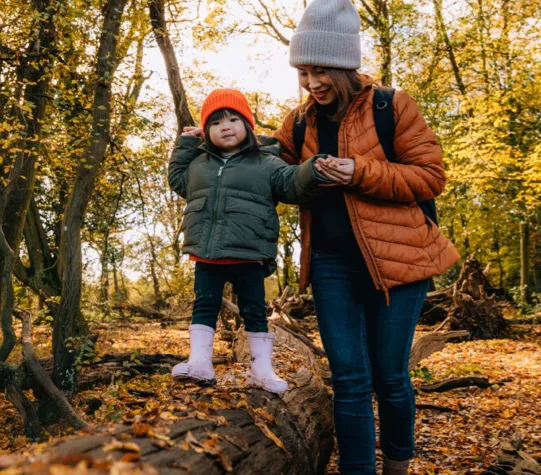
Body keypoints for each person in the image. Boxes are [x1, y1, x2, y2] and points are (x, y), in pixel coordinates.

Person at [272, 0, 461, 473]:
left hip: (399, 263)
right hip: (333, 265)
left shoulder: (391, 105)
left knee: (391, 375)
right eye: (302, 72)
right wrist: (213, 135)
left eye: (320, 71)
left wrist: (360, 171)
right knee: (350, 378)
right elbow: (270, 166)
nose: (311, 83)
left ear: (343, 66)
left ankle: (398, 465)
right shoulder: (300, 120)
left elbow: (430, 176)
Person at [167, 88, 327, 394]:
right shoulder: (200, 163)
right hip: (207, 253)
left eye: (232, 119)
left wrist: (313, 169)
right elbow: (177, 180)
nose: (225, 127)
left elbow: (290, 184)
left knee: (254, 310)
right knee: (204, 305)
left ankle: (261, 370)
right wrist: (186, 143)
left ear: (247, 125)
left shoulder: (266, 161)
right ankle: (199, 362)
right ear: (206, 131)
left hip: (249, 252)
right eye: (215, 123)